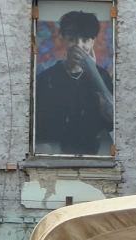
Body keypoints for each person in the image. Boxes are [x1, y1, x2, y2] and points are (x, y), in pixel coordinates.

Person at [35, 11, 114, 156]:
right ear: (63, 40)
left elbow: (112, 121)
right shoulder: (46, 79)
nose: (78, 46)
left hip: (94, 157)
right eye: (72, 39)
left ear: (92, 41)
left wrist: (93, 74)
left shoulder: (102, 76)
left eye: (85, 40)